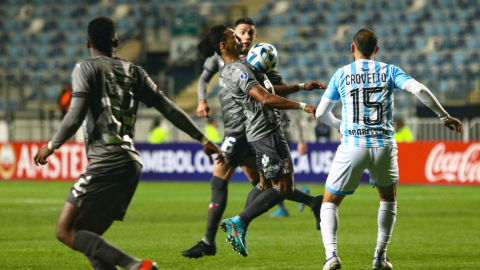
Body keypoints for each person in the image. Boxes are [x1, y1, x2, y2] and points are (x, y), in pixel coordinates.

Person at [33, 17, 225, 270]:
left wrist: (52, 145)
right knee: (92, 242)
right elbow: (168, 108)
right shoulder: (135, 71)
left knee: (66, 231)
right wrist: (202, 139)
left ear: (88, 42)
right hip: (130, 164)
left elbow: (75, 113)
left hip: (106, 161)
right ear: (116, 41)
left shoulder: (85, 68)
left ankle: (137, 266)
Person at [315, 28, 462, 270]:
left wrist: (340, 125)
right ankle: (380, 257)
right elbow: (420, 90)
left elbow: (321, 113)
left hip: (353, 145)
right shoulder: (389, 70)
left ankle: (331, 255)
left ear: (352, 48)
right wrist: (444, 116)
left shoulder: (341, 74)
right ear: (376, 50)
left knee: (329, 202)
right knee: (388, 199)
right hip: (383, 145)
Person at [182, 19, 324, 259]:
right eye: (235, 36)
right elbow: (265, 98)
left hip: (259, 131)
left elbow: (269, 89)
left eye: (246, 34)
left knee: (264, 184)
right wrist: (304, 106)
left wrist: (301, 87)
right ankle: (234, 225)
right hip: (254, 132)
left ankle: (239, 227)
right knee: (278, 186)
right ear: (224, 45)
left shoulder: (243, 65)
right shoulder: (237, 69)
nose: (241, 39)